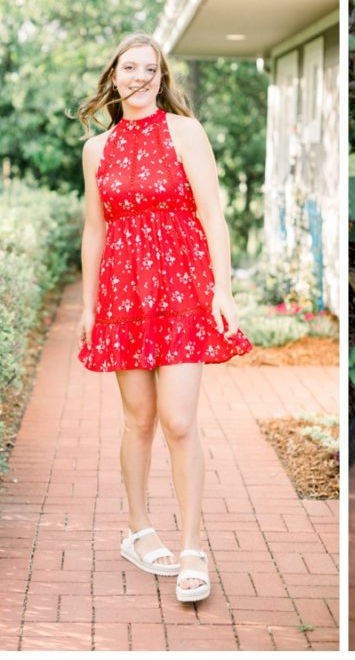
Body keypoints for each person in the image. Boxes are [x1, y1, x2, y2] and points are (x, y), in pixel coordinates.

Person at [77, 32, 251, 603]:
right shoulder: (97, 149)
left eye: (150, 69)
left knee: (179, 420)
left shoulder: (185, 132)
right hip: (124, 293)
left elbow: (213, 213)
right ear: (114, 76)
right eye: (130, 68)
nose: (140, 77)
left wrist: (222, 290)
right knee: (139, 419)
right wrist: (88, 306)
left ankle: (193, 546)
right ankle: (137, 529)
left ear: (161, 77)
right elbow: (95, 230)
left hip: (181, 288)